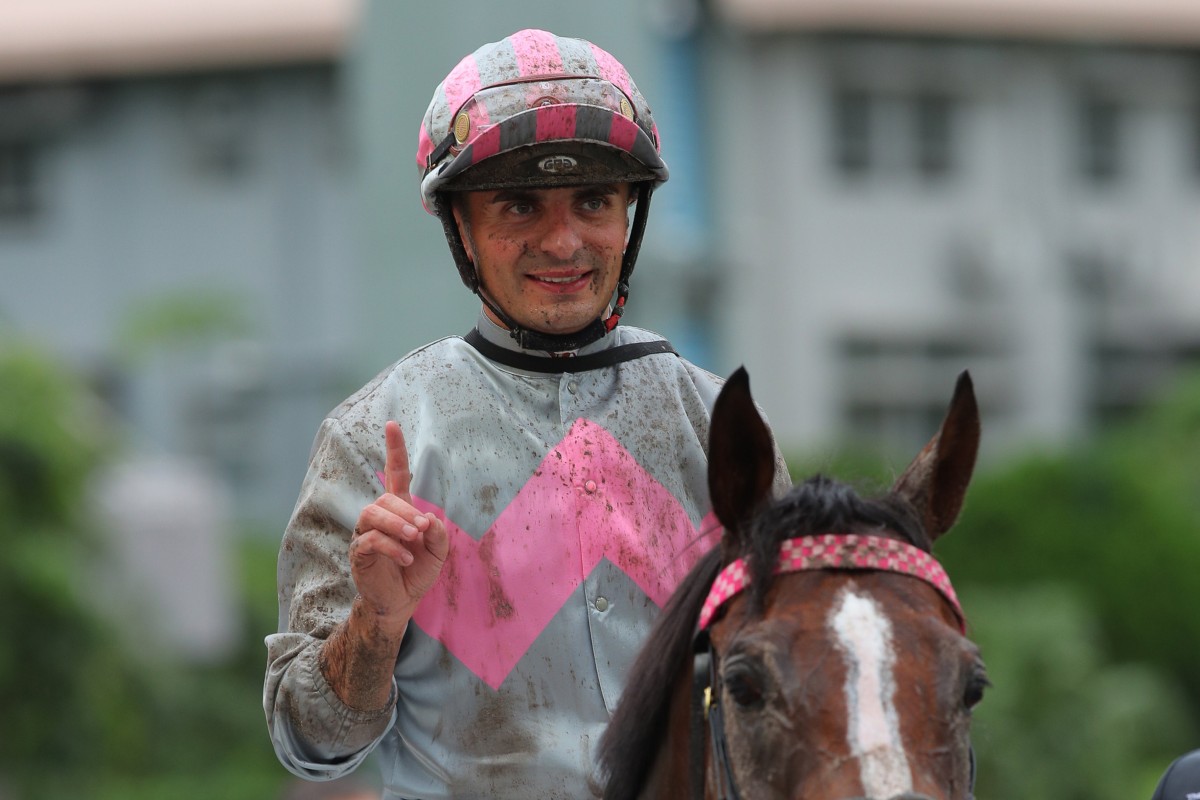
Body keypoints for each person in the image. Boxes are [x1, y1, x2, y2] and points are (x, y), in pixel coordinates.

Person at [263, 28, 790, 799]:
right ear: (461, 229)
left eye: (593, 200)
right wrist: (375, 624)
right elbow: (310, 746)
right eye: (519, 204)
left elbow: (798, 682)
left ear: (630, 216)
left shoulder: (719, 427)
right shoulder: (373, 439)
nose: (564, 240)